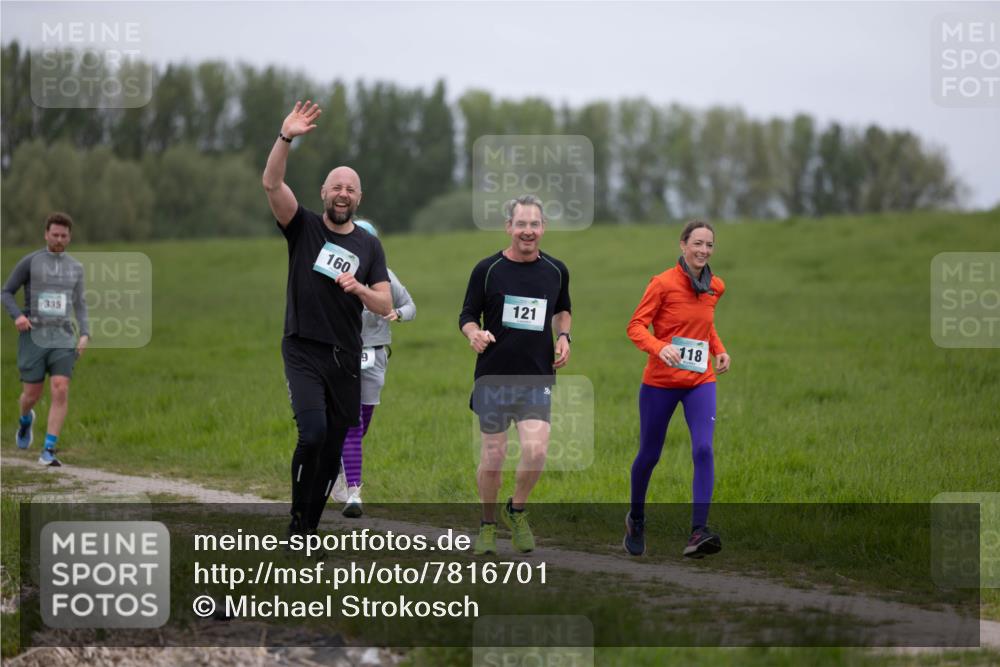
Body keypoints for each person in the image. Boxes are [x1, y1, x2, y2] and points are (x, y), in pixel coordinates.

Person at [262, 100, 392, 540]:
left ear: (359, 198)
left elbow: (383, 304)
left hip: (346, 356)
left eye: (350, 189)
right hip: (303, 347)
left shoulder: (369, 246)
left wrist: (360, 289)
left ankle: (307, 530)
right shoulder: (303, 226)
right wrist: (286, 137)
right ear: (323, 192)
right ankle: (297, 519)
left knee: (334, 444)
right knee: (314, 434)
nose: (343, 193)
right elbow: (271, 183)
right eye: (336, 186)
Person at [459, 194, 572, 555]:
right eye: (521, 224)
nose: (528, 231)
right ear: (509, 227)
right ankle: (487, 524)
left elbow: (563, 309)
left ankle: (517, 509)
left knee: (536, 451)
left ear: (543, 228)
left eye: (534, 224)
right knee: (493, 456)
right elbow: (467, 315)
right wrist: (473, 334)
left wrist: (564, 336)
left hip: (536, 377)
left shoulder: (556, 270)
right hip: (493, 377)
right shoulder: (487, 270)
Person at [624, 220, 732, 558]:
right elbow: (635, 326)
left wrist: (719, 350)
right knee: (649, 455)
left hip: (700, 381)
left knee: (703, 449)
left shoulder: (715, 286)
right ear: (683, 245)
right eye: (697, 243)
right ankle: (636, 519)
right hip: (661, 383)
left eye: (709, 245)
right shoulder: (662, 284)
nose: (703, 250)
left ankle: (699, 531)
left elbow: (704, 327)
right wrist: (659, 348)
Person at [332, 219, 416, 518]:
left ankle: (337, 468)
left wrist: (398, 313)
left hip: (376, 356)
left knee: (360, 426)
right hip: (342, 354)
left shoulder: (386, 277)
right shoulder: (336, 275)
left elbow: (411, 307)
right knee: (353, 425)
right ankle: (354, 492)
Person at [3, 213, 90, 467]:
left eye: (64, 236)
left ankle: (48, 450)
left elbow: (80, 304)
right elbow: (6, 292)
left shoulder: (75, 268)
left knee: (60, 387)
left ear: (69, 237)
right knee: (31, 395)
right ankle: (25, 419)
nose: (59, 239)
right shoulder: (30, 262)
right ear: (46, 234)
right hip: (33, 335)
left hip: (62, 335)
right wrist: (18, 316)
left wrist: (85, 333)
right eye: (55, 235)